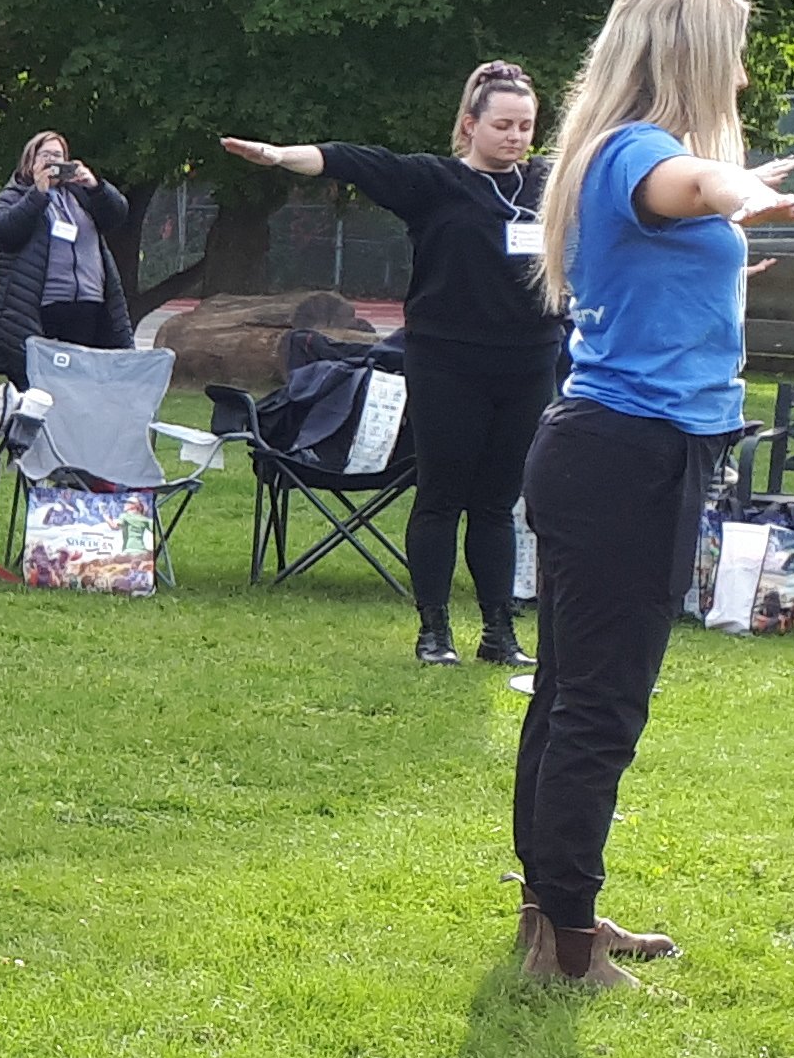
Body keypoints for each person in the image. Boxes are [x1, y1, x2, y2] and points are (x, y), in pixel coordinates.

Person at [510, 0, 794, 989]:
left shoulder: (613, 154)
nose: (738, 68)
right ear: (689, 55)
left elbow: (689, 214)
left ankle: (554, 917)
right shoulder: (649, 153)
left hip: (608, 450)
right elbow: (698, 186)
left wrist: (735, 213)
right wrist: (747, 192)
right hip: (628, 458)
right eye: (730, 47)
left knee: (567, 694)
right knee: (599, 706)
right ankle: (566, 943)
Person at [222, 65, 560, 666]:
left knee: (497, 502)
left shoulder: (546, 185)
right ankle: (434, 632)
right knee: (441, 496)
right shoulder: (434, 182)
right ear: (470, 125)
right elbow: (352, 160)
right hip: (447, 362)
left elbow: (625, 214)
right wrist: (279, 156)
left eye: (526, 127)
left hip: (528, 362)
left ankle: (498, 633)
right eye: (503, 125)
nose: (515, 137)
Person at [0, 131, 138, 389]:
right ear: (30, 161)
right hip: (43, 309)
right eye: (46, 155)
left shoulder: (80, 194)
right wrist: (38, 193)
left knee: (83, 387)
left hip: (89, 305)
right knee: (47, 388)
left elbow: (117, 215)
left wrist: (96, 186)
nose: (53, 160)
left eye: (58, 156)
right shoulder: (17, 193)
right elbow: (1, 231)